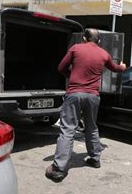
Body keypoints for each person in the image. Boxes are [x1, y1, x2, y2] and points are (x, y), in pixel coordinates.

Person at [45, 28, 126, 182]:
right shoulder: (104, 53)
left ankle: (59, 168)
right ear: (99, 40)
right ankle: (95, 158)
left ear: (84, 38)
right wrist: (122, 67)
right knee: (91, 126)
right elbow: (116, 69)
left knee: (68, 129)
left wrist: (73, 76)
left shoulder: (76, 48)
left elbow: (61, 68)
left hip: (75, 94)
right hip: (93, 96)